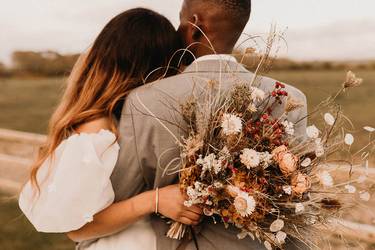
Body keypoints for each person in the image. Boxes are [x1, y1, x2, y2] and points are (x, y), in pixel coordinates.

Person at [110, 0, 308, 250]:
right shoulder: (290, 99)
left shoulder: (144, 100)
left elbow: (120, 197)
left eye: (180, 22)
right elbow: (298, 197)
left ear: (193, 27)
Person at [18, 8, 203, 250]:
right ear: (153, 67)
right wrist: (153, 200)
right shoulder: (98, 131)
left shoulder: (130, 120)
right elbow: (76, 228)